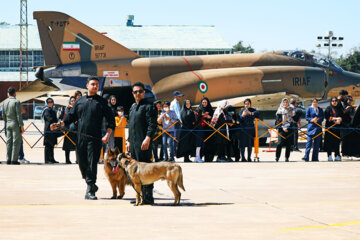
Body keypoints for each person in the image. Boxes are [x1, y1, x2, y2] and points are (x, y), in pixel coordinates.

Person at [59, 76, 115, 200]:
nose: (95, 86)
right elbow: (70, 117)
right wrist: (60, 124)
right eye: (93, 84)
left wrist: (107, 135)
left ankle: (90, 189)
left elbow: (111, 121)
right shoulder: (80, 101)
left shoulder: (101, 102)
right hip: (81, 137)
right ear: (87, 86)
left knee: (92, 163)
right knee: (81, 163)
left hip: (95, 139)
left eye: (97, 84)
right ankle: (91, 183)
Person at [126, 82, 157, 205]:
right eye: (135, 92)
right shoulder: (133, 107)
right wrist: (128, 141)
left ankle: (148, 196)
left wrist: (148, 138)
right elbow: (131, 126)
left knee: (146, 170)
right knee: (135, 172)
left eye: (140, 91)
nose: (137, 93)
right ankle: (139, 196)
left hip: (144, 143)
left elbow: (152, 124)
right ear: (132, 94)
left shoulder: (150, 106)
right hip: (133, 144)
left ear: (144, 92)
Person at [2, 87, 24, 165]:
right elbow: (19, 115)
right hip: (15, 124)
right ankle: (14, 160)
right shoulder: (16, 102)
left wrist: (7, 121)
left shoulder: (4, 102)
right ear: (15, 93)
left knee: (9, 142)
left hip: (8, 123)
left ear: (8, 93)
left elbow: (3, 115)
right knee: (16, 142)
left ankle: (8, 159)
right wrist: (21, 125)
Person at [194, 97, 214, 162]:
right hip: (200, 128)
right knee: (200, 142)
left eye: (205, 102)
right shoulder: (199, 109)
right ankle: (198, 157)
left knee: (208, 143)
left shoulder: (210, 109)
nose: (204, 104)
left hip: (208, 128)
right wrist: (201, 115)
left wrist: (209, 117)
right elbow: (195, 116)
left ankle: (208, 158)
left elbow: (214, 117)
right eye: (203, 102)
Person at [324, 96, 343, 161]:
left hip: (337, 128)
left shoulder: (339, 108)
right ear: (331, 102)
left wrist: (339, 120)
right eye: (333, 101)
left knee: (337, 142)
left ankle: (337, 155)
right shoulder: (328, 108)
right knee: (329, 142)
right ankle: (329, 155)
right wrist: (336, 118)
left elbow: (342, 117)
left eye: (335, 101)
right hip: (330, 128)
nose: (334, 102)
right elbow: (327, 117)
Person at [43, 97, 59, 164]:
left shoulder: (53, 110)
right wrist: (54, 122)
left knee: (52, 144)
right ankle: (47, 159)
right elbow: (49, 118)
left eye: (51, 102)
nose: (50, 103)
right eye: (48, 102)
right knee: (48, 145)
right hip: (48, 129)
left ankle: (52, 159)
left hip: (53, 128)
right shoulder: (46, 110)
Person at [62, 96, 77, 164]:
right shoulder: (67, 108)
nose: (73, 102)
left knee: (77, 145)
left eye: (74, 101)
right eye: (72, 101)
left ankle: (78, 159)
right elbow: (68, 117)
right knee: (67, 145)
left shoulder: (77, 108)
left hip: (76, 129)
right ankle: (67, 160)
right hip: (68, 128)